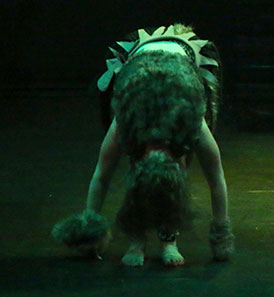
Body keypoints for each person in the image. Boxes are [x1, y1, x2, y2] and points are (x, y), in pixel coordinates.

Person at [52, 25, 233, 266]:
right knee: (143, 180)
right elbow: (102, 176)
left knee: (168, 182)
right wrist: (90, 233)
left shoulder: (192, 121)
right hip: (140, 66)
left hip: (182, 69)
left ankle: (169, 240)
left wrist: (221, 235)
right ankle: (137, 240)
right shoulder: (126, 119)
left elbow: (216, 177)